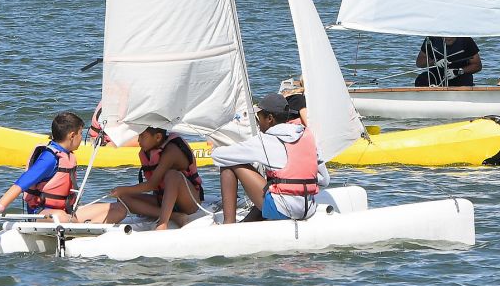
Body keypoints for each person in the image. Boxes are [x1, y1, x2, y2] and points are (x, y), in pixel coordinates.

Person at [215, 92, 327, 223]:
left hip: (284, 210)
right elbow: (324, 180)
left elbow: (218, 156)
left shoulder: (266, 140)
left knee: (229, 163)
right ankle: (248, 222)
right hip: (308, 209)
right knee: (273, 184)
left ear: (269, 118)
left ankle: (228, 225)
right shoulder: (307, 135)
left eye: (259, 118)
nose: (258, 123)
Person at [77, 124, 205, 230]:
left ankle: (163, 223)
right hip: (163, 200)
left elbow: (153, 184)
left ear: (158, 137)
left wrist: (123, 189)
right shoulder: (144, 153)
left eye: (142, 136)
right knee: (123, 199)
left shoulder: (171, 151)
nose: (138, 140)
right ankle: (175, 216)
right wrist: (122, 193)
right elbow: (154, 187)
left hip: (189, 202)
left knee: (173, 175)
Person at [0, 111, 86, 224]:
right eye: (81, 133)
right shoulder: (50, 158)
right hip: (42, 213)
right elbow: (21, 183)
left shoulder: (68, 155)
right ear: (72, 136)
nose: (81, 138)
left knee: (110, 209)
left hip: (66, 211)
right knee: (61, 217)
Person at [415, 35, 482, 87]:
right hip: (438, 73)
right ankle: (431, 94)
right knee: (421, 79)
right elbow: (419, 63)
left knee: (465, 80)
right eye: (445, 36)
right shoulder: (431, 39)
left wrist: (458, 71)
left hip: (460, 74)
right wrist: (434, 62)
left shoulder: (466, 40)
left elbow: (477, 65)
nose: (448, 38)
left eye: (451, 36)